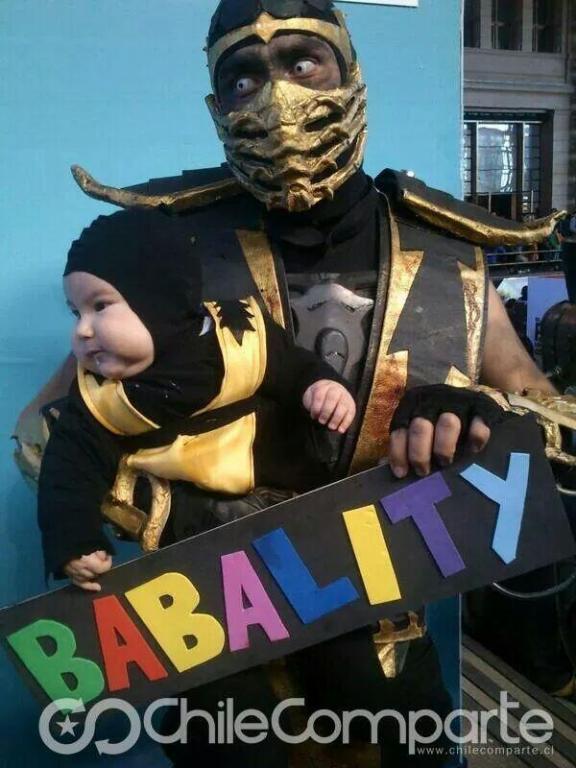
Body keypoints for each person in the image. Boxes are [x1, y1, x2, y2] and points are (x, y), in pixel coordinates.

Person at [14, 1, 570, 765]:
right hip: (217, 651)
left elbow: (551, 430)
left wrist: (485, 417)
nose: (276, 96)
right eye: (243, 77)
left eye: (303, 61)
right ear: (216, 104)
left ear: (350, 72)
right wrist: (166, 503)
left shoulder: (451, 257)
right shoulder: (169, 252)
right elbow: (43, 432)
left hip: (388, 664)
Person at [38, 208, 356, 589]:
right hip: (195, 544)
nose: (82, 330)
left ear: (160, 300)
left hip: (298, 511)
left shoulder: (242, 335)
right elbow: (67, 471)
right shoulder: (99, 397)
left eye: (100, 306)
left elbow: (295, 367)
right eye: (76, 313)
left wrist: (322, 387)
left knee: (330, 596)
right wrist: (74, 541)